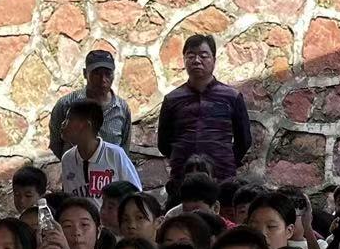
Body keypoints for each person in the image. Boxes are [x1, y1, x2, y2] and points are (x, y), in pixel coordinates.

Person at [157, 33, 250, 183]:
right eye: (191, 56)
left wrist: (224, 159)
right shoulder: (172, 99)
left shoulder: (232, 97)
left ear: (214, 60)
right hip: (183, 177)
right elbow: (163, 143)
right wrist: (181, 155)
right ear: (184, 60)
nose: (197, 61)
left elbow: (244, 140)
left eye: (203, 55)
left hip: (222, 176)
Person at [49, 48, 132, 155]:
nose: (103, 80)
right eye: (97, 74)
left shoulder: (122, 109)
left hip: (109, 171)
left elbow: (124, 148)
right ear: (85, 74)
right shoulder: (66, 104)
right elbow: (56, 142)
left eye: (108, 74)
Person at [60, 99, 141, 200]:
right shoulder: (67, 159)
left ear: (86, 125)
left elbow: (135, 195)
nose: (63, 124)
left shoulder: (115, 155)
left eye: (69, 119)